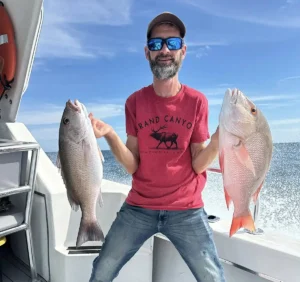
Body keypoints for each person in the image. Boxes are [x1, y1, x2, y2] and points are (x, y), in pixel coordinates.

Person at [88, 11, 226, 282]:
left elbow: (198, 163)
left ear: (183, 51)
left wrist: (218, 141)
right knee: (101, 269)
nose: (164, 50)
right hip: (139, 206)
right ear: (147, 52)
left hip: (187, 209)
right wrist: (110, 135)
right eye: (156, 44)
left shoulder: (198, 102)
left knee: (213, 278)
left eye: (172, 43)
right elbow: (133, 164)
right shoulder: (134, 102)